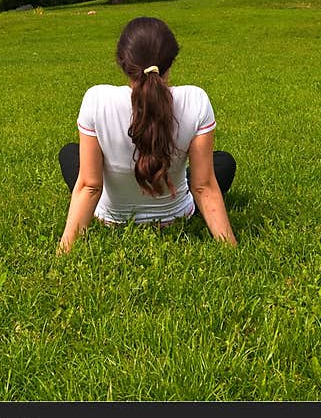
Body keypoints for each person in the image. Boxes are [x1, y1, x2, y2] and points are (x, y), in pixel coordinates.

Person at [58, 16, 237, 253]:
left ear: (122, 62)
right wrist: (230, 248)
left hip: (113, 218)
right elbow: (203, 187)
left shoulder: (96, 99)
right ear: (171, 62)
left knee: (70, 153)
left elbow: (90, 186)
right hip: (176, 215)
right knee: (223, 162)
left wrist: (64, 251)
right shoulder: (196, 100)